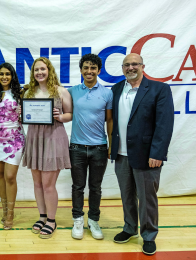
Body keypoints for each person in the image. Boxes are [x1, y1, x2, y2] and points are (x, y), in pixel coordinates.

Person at [110, 53, 174, 255]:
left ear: (143, 66)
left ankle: (149, 235)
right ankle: (130, 228)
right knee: (127, 195)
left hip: (147, 155)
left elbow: (164, 125)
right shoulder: (116, 89)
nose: (131, 67)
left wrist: (157, 153)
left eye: (135, 64)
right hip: (121, 154)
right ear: (122, 68)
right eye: (127, 65)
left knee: (147, 198)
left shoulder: (159, 89)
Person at [23, 57, 72, 239]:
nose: (40, 73)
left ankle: (51, 220)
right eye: (36, 70)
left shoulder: (61, 91)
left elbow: (70, 115)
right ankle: (42, 216)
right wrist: (23, 113)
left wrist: (60, 116)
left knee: (48, 184)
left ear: (49, 70)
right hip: (35, 138)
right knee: (37, 183)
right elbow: (25, 114)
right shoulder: (28, 92)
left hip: (53, 138)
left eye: (43, 69)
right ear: (33, 73)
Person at [68, 54, 113, 240]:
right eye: (86, 67)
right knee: (78, 186)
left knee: (95, 187)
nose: (89, 71)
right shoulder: (71, 91)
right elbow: (51, 93)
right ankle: (77, 219)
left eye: (93, 68)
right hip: (77, 147)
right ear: (80, 70)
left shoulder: (107, 93)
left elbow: (109, 120)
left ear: (99, 71)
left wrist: (110, 144)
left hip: (99, 148)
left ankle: (93, 220)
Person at [0, 63, 25, 230]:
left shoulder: (20, 93)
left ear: (12, 76)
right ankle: (4, 210)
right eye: (1, 74)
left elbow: (27, 114)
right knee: (0, 175)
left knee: (10, 176)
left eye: (8, 74)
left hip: (15, 140)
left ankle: (10, 213)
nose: (4, 77)